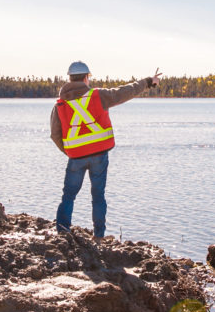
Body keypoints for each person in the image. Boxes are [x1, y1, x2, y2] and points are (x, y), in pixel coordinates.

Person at [51, 61, 161, 238]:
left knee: (68, 196)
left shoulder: (60, 104)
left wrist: (71, 151)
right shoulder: (98, 96)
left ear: (70, 79)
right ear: (86, 78)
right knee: (98, 196)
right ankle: (99, 236)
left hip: (75, 158)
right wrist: (149, 81)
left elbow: (55, 135)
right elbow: (125, 91)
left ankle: (63, 233)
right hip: (99, 157)